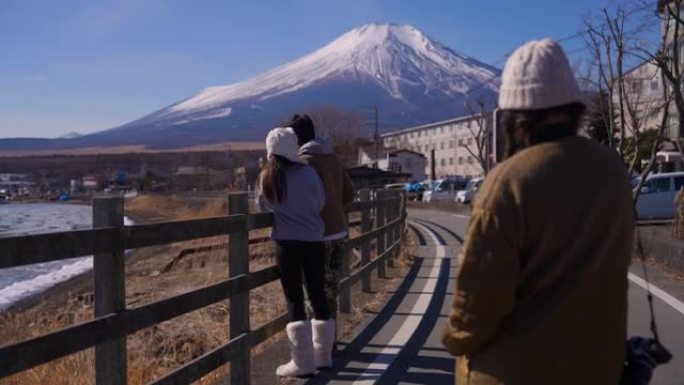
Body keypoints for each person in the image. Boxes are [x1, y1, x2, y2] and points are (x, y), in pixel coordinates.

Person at [442, 39, 634, 385]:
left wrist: (455, 338)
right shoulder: (612, 169)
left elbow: (479, 300)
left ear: (515, 116)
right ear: (574, 107)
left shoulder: (509, 181)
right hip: (598, 368)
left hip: (515, 372)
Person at [256, 127, 333, 378]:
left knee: (294, 299)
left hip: (286, 243)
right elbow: (320, 203)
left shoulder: (267, 177)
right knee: (317, 292)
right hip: (314, 240)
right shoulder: (309, 173)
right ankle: (323, 357)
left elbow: (261, 208)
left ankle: (302, 362)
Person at [288, 114, 354, 334]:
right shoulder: (333, 158)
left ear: (296, 138)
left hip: (317, 236)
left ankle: (320, 348)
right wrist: (335, 210)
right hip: (339, 233)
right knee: (330, 290)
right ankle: (330, 341)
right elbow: (350, 194)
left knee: (313, 294)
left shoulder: (304, 162)